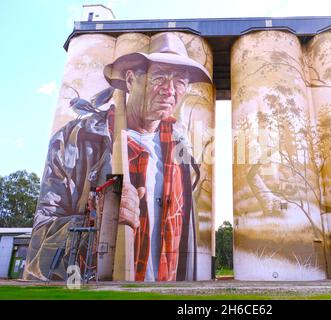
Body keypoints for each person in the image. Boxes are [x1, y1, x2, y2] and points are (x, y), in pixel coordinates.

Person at [23, 33, 212, 282]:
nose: (169, 90)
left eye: (180, 82)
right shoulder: (77, 139)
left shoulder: (181, 152)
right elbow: (41, 238)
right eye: (159, 78)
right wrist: (97, 221)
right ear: (131, 79)